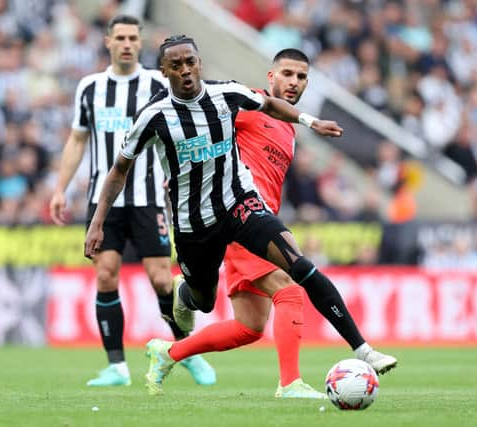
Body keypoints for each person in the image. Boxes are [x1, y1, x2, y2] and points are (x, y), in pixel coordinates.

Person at [84, 35, 397, 396]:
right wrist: (99, 222)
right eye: (287, 74)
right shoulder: (202, 106)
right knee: (262, 292)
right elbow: (120, 169)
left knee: (256, 319)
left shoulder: (279, 124)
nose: (294, 82)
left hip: (244, 212)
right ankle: (280, 372)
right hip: (198, 224)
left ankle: (170, 352)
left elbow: (272, 109)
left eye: (301, 77)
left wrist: (312, 123)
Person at [50, 17, 215, 387]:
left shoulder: (159, 84)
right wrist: (61, 187)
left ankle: (186, 350)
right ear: (108, 41)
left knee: (161, 279)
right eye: (119, 37)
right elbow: (78, 140)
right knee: (106, 275)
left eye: (132, 38)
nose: (126, 43)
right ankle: (116, 367)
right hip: (102, 200)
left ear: (140, 43)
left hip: (148, 196)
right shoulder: (89, 87)